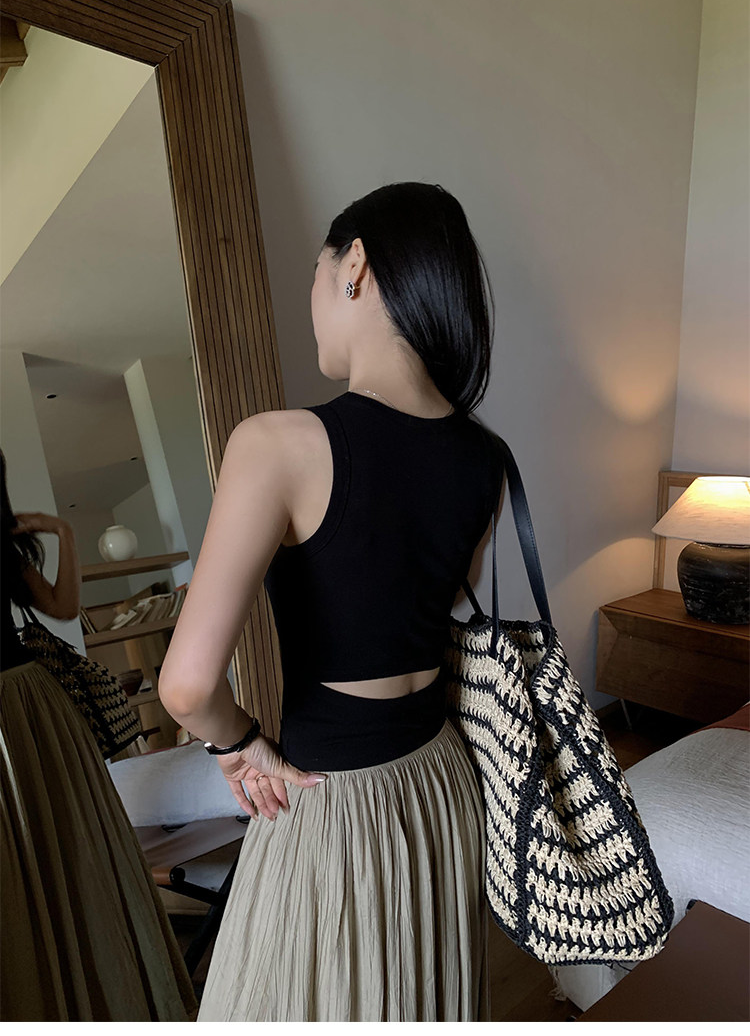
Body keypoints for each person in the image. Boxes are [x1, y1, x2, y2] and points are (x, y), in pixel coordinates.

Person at [157, 182, 505, 1022]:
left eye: (314, 273)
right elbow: (432, 619)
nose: (310, 295)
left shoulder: (276, 444)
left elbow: (187, 685)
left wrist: (238, 743)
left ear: (355, 265)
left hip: (332, 798)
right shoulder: (484, 458)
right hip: (440, 782)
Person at [0, 449, 198, 1022]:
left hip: (27, 703)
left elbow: (63, 607)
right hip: (25, 705)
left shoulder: (5, 546)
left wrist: (62, 531)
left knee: (65, 842)